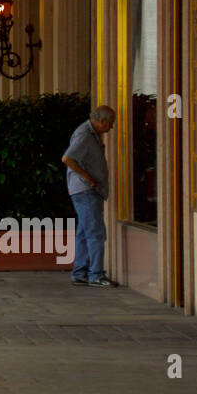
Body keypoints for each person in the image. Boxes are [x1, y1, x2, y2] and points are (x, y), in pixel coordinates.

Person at [62, 105, 118, 287]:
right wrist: (89, 178)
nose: (111, 127)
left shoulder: (91, 134)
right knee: (95, 233)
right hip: (86, 191)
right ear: (101, 121)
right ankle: (96, 275)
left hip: (83, 190)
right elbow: (68, 158)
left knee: (84, 232)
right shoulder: (85, 135)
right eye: (110, 123)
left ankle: (80, 272)